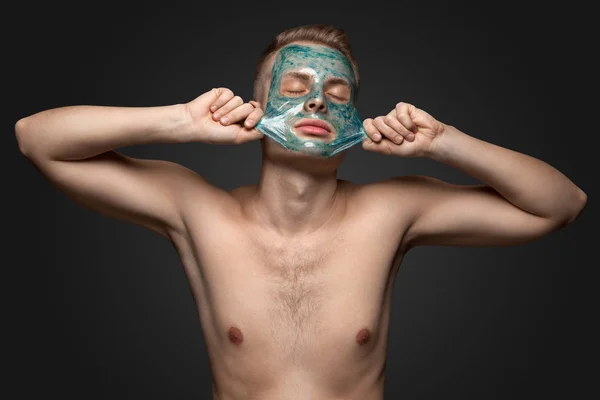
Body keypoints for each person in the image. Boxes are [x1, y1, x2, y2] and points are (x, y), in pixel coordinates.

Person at [14, 24, 586, 400]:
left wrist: (445, 141)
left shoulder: (392, 210)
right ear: (260, 109)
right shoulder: (197, 210)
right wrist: (179, 124)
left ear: (355, 117)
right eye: (297, 85)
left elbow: (561, 204)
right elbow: (37, 138)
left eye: (338, 93)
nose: (318, 99)